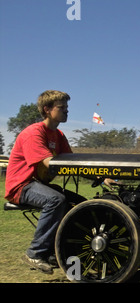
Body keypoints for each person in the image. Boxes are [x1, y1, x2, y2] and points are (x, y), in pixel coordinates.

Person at [4, 90, 91, 274]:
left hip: (38, 185)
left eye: (67, 107)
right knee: (56, 200)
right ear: (47, 109)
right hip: (21, 186)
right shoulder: (33, 133)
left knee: (82, 204)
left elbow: (72, 163)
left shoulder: (58, 135)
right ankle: (34, 253)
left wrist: (102, 177)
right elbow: (48, 163)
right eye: (62, 107)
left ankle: (54, 252)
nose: (67, 111)